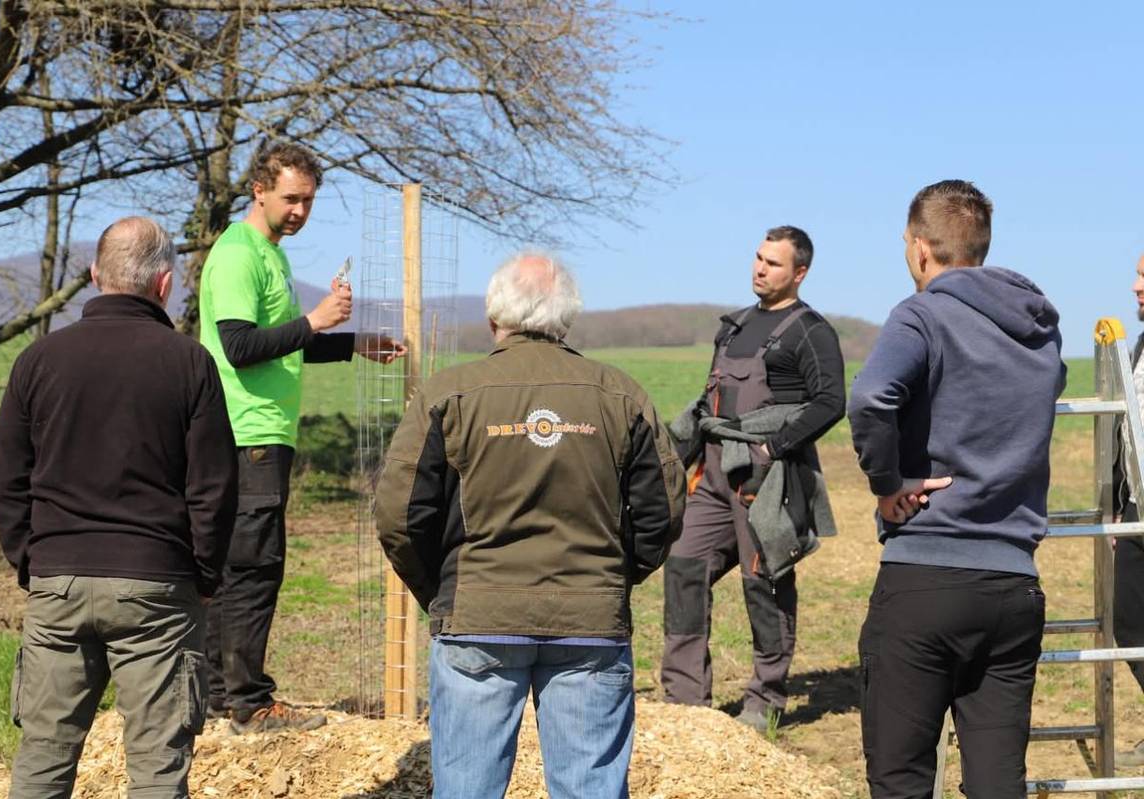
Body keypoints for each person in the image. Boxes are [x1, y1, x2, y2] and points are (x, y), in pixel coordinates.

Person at [375, 254, 685, 799]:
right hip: (590, 621)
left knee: (467, 789)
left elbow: (400, 517)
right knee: (590, 788)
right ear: (568, 317)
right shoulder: (621, 395)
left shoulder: (449, 394)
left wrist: (445, 591)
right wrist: (610, 580)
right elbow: (662, 512)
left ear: (494, 315)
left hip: (478, 617)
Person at [0, 217, 238, 798]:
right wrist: (204, 574)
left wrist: (33, 561)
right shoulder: (189, 362)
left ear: (96, 275)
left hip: (58, 581)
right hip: (156, 583)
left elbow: (5, 481)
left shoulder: (37, 360)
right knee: (156, 768)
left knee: (43, 758)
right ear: (165, 284)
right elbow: (214, 487)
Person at [849, 180, 1066, 797]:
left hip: (926, 575)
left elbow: (870, 397)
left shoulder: (922, 313)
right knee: (998, 783)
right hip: (1014, 584)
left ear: (920, 248)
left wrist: (887, 483)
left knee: (901, 777)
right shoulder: (1039, 329)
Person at [199, 141, 405, 734]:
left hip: (259, 432)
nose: (299, 211)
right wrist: (314, 319)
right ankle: (248, 703)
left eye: (308, 201)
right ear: (259, 190)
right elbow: (240, 346)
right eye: (291, 198)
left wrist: (352, 343)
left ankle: (219, 696)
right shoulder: (239, 254)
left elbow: (283, 344)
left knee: (237, 565)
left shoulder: (270, 254)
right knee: (254, 566)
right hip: (248, 432)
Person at [661, 225, 845, 731]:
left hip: (766, 478)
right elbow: (710, 400)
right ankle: (684, 700)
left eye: (774, 263)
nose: (760, 269)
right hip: (714, 473)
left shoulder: (810, 331)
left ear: (799, 273)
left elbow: (831, 402)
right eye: (759, 258)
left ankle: (765, 700)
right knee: (683, 565)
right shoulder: (734, 326)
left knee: (763, 580)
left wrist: (774, 446)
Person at [1112, 254, 1144, 766]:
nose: (1137, 286)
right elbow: (1128, 431)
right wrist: (1119, 505)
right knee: (1131, 623)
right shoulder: (1138, 345)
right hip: (1137, 508)